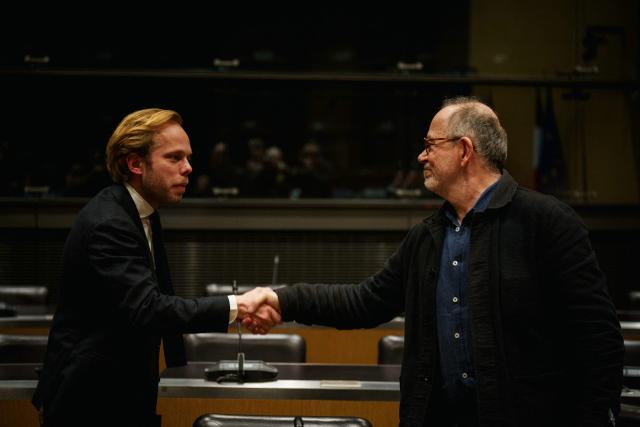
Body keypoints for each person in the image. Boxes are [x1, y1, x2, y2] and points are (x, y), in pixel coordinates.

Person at [244, 97, 624, 426]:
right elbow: (365, 301)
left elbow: (599, 337)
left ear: (464, 150)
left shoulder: (546, 221)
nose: (421, 156)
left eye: (430, 145)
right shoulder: (429, 235)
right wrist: (283, 299)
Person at [32, 108, 279, 427]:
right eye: (174, 158)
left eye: (188, 158)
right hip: (88, 399)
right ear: (135, 164)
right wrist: (238, 305)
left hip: (121, 392)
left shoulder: (142, 212)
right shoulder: (110, 223)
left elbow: (154, 296)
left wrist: (176, 361)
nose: (188, 168)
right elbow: (148, 308)